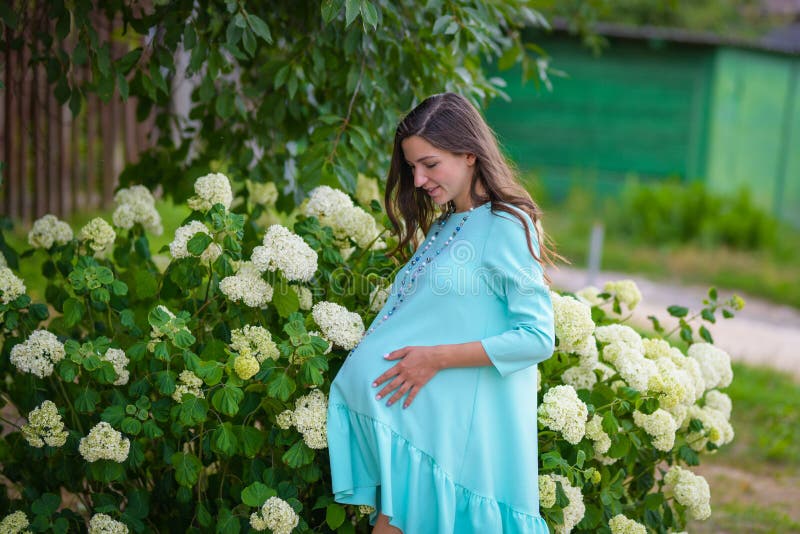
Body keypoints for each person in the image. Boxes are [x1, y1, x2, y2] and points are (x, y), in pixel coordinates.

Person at [326, 92, 558, 533]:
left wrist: (435, 358)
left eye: (429, 165)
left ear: (469, 153)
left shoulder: (506, 224)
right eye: (412, 167)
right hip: (425, 437)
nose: (417, 180)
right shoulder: (447, 225)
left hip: (456, 449)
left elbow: (537, 337)